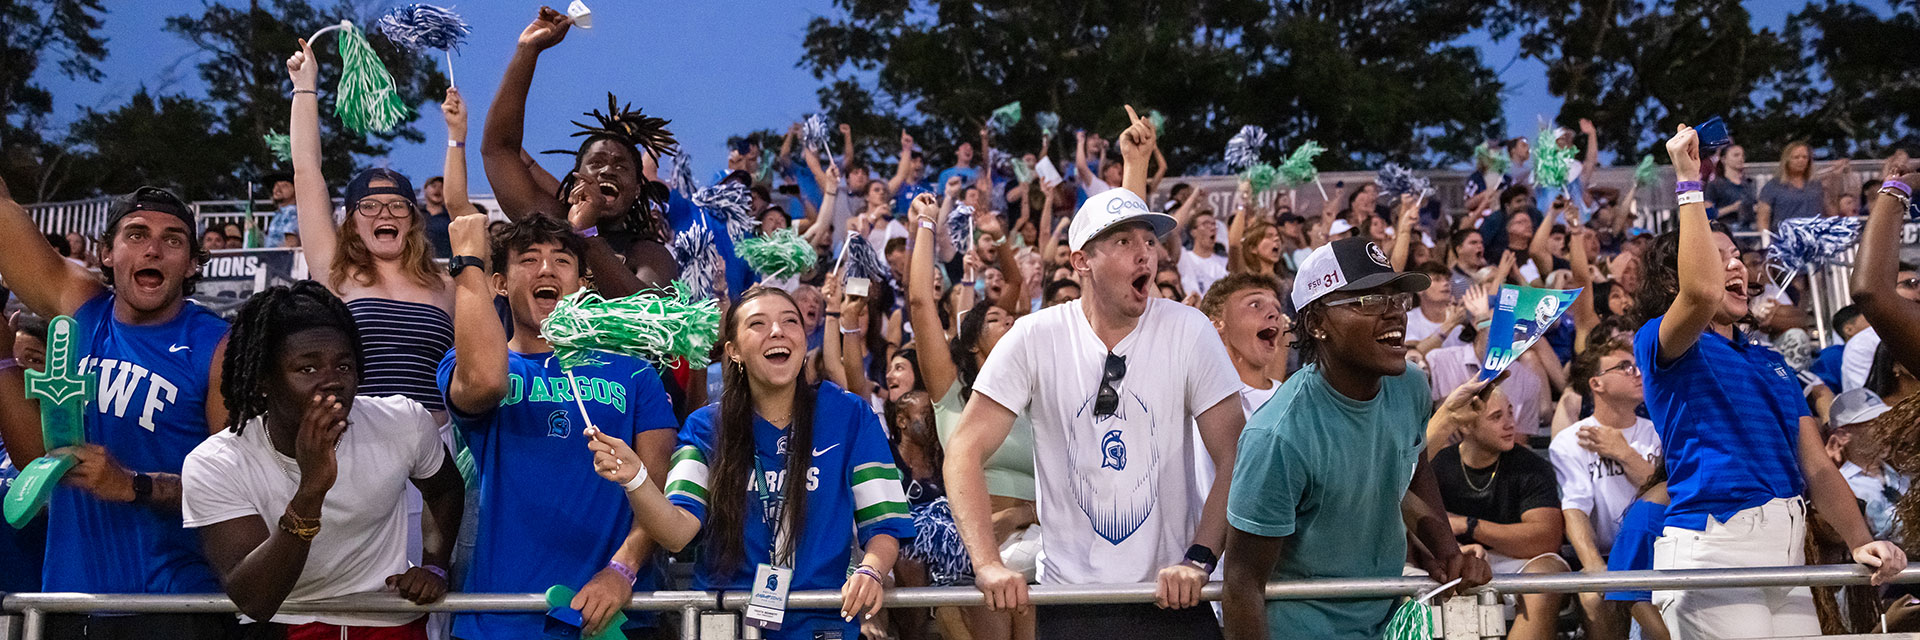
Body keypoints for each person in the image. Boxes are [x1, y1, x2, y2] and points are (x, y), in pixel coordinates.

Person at [947, 107, 1245, 637]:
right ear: (1081, 261)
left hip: (1175, 596)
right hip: (1072, 603)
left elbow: (1234, 452)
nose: (1146, 255)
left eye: (1150, 242)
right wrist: (988, 562)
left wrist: (1200, 556)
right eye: (1125, 243)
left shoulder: (1189, 328)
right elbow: (964, 449)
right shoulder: (1035, 336)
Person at [1638, 124, 1902, 638]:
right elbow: (1698, 294)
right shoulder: (1661, 339)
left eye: (1738, 255)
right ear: (1676, 277)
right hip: (1714, 551)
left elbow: (1818, 469)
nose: (1736, 262)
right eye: (1719, 255)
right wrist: (1689, 182)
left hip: (1787, 549)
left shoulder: (1769, 360)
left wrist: (1857, 540)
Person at [585, 286, 914, 640]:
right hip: (726, 620)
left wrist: (871, 570)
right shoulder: (705, 427)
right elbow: (677, 532)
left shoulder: (850, 416)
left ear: (803, 340)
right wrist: (636, 479)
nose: (777, 331)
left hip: (819, 617)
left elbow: (883, 524)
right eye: (758, 323)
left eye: (790, 321)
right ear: (734, 351)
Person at [1222, 237, 1490, 640]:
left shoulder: (1410, 386)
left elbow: (1412, 471)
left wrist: (1447, 551)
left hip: (1385, 619)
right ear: (1316, 325)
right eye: (1368, 301)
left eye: (1397, 299)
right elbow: (1242, 585)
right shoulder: (1278, 436)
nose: (1393, 314)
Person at [0, 178, 233, 639]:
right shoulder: (80, 306)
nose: (153, 250)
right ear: (107, 253)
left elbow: (240, 491)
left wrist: (135, 485)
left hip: (173, 606)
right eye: (136, 234)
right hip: (67, 602)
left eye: (173, 240)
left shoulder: (219, 346)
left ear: (190, 264)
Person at [438, 213, 680, 640]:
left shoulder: (636, 373)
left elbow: (657, 485)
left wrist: (621, 570)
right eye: (528, 259)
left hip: (614, 620)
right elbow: (486, 382)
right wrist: (467, 262)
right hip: (500, 620)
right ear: (499, 283)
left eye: (561, 260)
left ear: (583, 284)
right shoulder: (471, 366)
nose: (546, 269)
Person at [183, 283, 464, 637]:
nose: (332, 382)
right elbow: (255, 598)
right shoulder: (216, 462)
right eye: (308, 369)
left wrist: (435, 566)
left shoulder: (402, 420)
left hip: (386, 623)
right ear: (263, 381)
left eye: (344, 366)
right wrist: (311, 490)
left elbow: (445, 490)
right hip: (285, 625)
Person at [904, 193, 1037, 640]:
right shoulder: (952, 394)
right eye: (1000, 321)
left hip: (1047, 547)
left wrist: (998, 238)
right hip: (984, 551)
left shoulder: (1038, 394)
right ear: (975, 344)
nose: (1015, 324)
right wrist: (925, 224)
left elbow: (1015, 281)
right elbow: (921, 303)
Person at [1427, 387, 1568, 640]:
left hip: (1520, 560)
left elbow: (1545, 538)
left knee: (1545, 577)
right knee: (1454, 577)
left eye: (1511, 414)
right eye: (1496, 417)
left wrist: (1468, 525)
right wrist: (1456, 546)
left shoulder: (1532, 466)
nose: (1509, 424)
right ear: (1467, 427)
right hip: (1458, 557)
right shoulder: (1438, 464)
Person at [1550, 340, 1662, 639]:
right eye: (1625, 367)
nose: (1637, 373)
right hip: (1608, 555)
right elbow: (1574, 510)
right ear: (1596, 383)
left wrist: (1624, 453)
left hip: (1659, 553)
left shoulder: (1657, 433)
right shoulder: (1571, 440)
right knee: (1593, 595)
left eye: (1637, 366)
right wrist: (1596, 570)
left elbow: (1668, 496)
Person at [1841, 263, 1920, 391]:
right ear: (1884, 292)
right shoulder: (1862, 344)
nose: (1918, 290)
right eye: (1910, 284)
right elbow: (1872, 398)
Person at [1756, 141, 1825, 231]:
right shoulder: (1773, 186)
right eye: (1796, 157)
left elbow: (1827, 212)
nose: (1801, 160)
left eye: (1805, 157)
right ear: (1787, 160)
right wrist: (1766, 240)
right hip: (1784, 239)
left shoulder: (1816, 185)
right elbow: (1763, 218)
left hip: (1813, 236)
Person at [1706, 145, 1756, 229]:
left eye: (1742, 155)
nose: (1741, 159)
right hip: (1725, 229)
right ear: (1724, 159)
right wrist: (1732, 208)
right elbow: (1707, 213)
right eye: (1736, 155)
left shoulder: (1749, 184)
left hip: (1748, 231)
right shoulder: (1715, 184)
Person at [264, 175, 301, 248]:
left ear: (295, 190)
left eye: (284, 186)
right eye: (275, 186)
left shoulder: (292, 212)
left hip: (280, 257)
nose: (277, 189)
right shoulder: (279, 213)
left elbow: (291, 244)